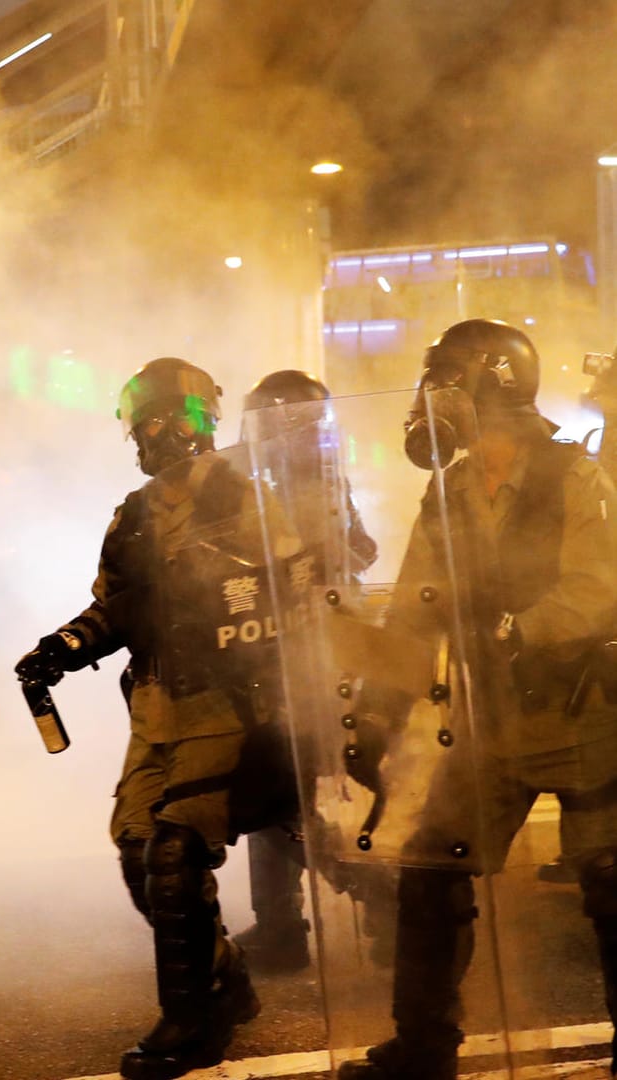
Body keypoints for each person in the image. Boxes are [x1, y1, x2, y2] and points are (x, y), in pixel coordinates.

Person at [335, 319, 617, 1080]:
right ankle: (423, 1047)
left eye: (445, 384)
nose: (430, 401)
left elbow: (599, 589)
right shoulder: (449, 489)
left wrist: (521, 630)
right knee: (430, 870)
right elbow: (414, 611)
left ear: (493, 384)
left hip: (579, 716)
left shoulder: (573, 476)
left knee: (611, 877)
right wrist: (375, 714)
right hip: (488, 723)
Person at [16, 357, 302, 1080]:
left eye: (179, 416)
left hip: (228, 702)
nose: (162, 432)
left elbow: (297, 588)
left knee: (175, 856)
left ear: (206, 420)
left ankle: (194, 1023)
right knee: (139, 852)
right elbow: (116, 607)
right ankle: (226, 980)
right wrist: (63, 647)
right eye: (148, 420)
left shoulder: (250, 500)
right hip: (156, 705)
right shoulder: (134, 515)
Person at [233, 370, 379, 973]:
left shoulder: (294, 488)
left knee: (282, 797)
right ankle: (284, 926)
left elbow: (350, 552)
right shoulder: (300, 480)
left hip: (301, 656)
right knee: (275, 787)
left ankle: (379, 897)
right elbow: (363, 548)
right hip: (299, 650)